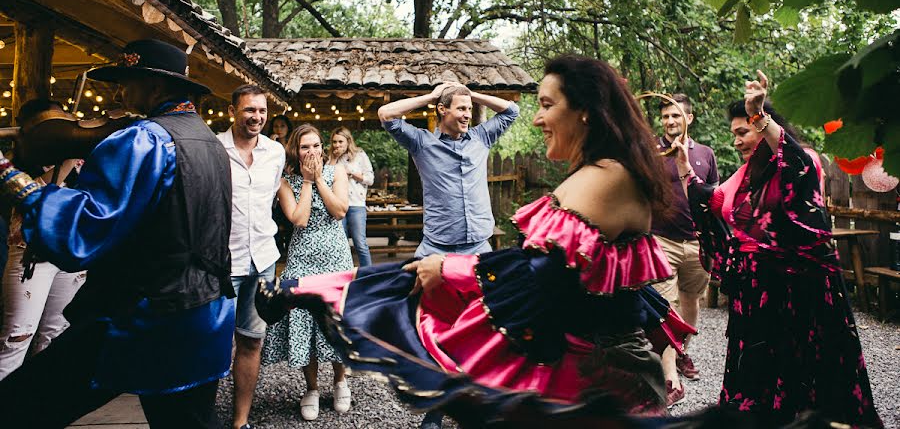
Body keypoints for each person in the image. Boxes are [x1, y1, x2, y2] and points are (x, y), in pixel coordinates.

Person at [257, 55, 694, 427]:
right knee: (431, 318)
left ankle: (318, 295)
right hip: (583, 361)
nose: (538, 117)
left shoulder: (605, 178)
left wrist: (448, 268)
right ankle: (321, 297)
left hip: (604, 376)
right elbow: (574, 277)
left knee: (439, 316)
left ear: (585, 110)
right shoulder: (599, 172)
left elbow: (533, 275)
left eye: (546, 105)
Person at [0, 39, 235, 427]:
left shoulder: (145, 139)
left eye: (128, 81)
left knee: (21, 408)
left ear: (156, 87)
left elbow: (85, 227)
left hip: (140, 316)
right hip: (203, 314)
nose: (120, 91)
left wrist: (20, 185)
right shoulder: (211, 142)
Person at [673, 71, 882, 427]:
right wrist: (683, 171)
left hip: (798, 291)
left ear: (763, 126)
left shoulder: (801, 159)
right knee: (758, 380)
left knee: (804, 376)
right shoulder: (745, 175)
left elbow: (797, 165)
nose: (737, 141)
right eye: (734, 134)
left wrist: (760, 116)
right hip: (756, 296)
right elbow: (711, 203)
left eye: (743, 132)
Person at [261, 124, 353, 421]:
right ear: (295, 151)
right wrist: (308, 183)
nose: (311, 151)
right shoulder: (285, 181)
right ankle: (311, 387)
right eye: (304, 147)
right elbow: (298, 219)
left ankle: (340, 381)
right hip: (301, 258)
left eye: (315, 145)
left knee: (334, 320)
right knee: (303, 321)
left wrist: (320, 180)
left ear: (322, 148)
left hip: (335, 257)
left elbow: (339, 211)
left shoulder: (337, 171)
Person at [378, 83, 519, 259]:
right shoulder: (421, 143)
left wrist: (471, 94)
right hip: (436, 249)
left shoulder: (482, 137)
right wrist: (431, 97)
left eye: (469, 108)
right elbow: (385, 114)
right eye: (461, 108)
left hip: (479, 247)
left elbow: (512, 110)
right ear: (442, 109)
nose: (467, 114)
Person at [0, 99, 86, 380]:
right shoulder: (24, 156)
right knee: (17, 335)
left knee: (54, 334)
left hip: (70, 251)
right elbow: (31, 198)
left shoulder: (79, 152)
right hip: (32, 253)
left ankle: (33, 405)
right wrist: (69, 159)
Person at [218, 84, 286, 429]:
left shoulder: (276, 152)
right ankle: (201, 417)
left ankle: (239, 421)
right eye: (249, 110)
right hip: (222, 263)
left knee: (251, 340)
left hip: (263, 258)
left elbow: (272, 199)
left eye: (261, 111)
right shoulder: (214, 148)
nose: (256, 117)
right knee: (211, 344)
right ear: (233, 110)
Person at [651, 94, 718, 408]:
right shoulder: (650, 150)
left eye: (675, 116)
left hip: (697, 241)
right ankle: (671, 381)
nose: (669, 122)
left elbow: (713, 198)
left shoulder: (705, 153)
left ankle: (679, 353)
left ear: (689, 119)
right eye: (665, 117)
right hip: (661, 239)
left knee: (692, 301)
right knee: (666, 305)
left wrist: (714, 239)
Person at [328, 127, 374, 266]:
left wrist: (352, 173)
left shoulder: (360, 155)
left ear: (348, 141)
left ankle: (369, 274)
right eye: (334, 142)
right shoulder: (330, 157)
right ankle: (342, 272)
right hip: (338, 204)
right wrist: (334, 159)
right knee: (340, 243)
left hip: (356, 204)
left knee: (360, 243)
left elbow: (370, 179)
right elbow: (325, 178)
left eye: (340, 141)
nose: (337, 145)